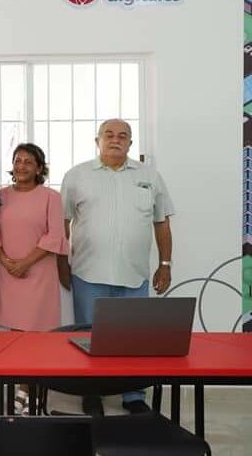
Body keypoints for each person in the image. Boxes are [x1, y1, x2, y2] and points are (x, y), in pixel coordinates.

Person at [60, 118, 174, 416]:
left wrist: (165, 264)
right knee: (88, 336)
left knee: (133, 337)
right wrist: (62, 264)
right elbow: (62, 225)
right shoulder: (76, 176)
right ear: (97, 140)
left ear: (130, 143)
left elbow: (161, 223)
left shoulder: (149, 175)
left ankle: (133, 395)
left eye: (123, 136)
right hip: (88, 272)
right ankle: (91, 392)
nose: (115, 139)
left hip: (134, 274)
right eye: (108, 134)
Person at [0, 143, 69, 413]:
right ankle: (17, 385)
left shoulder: (50, 197)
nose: (21, 166)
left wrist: (25, 263)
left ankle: (28, 389)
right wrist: (5, 261)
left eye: (28, 162)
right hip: (9, 271)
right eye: (17, 160)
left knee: (36, 335)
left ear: (39, 168)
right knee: (16, 335)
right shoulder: (0, 196)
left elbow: (55, 235)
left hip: (39, 272)